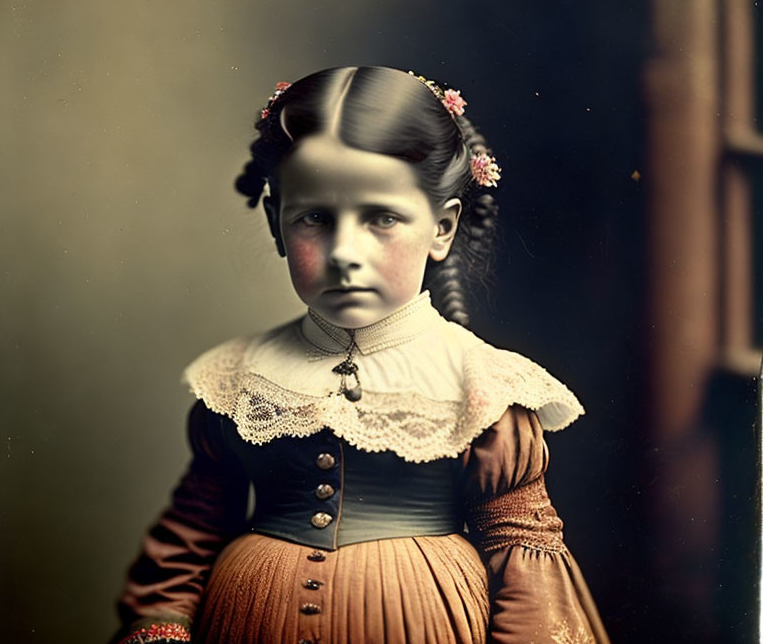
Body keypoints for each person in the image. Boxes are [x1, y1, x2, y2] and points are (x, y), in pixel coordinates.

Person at [110, 66, 609, 644]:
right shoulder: (239, 377)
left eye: (382, 218)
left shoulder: (485, 385)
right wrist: (163, 628)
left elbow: (525, 567)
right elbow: (190, 534)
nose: (345, 252)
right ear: (276, 224)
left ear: (442, 228)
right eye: (315, 218)